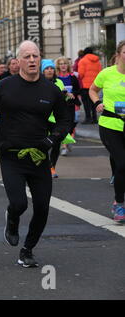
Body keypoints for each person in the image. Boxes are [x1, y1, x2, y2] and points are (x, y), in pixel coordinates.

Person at [0, 40, 71, 268]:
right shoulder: (5, 86)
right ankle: (12, 220)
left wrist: (52, 139)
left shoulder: (51, 90)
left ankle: (27, 250)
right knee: (19, 203)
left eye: (35, 56)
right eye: (27, 57)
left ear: (40, 59)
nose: (32, 60)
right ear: (18, 61)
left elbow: (64, 120)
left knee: (42, 207)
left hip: (39, 157)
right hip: (11, 155)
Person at [89, 40, 125, 222]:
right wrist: (97, 102)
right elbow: (93, 89)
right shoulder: (107, 73)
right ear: (118, 54)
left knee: (121, 166)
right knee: (123, 165)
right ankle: (119, 204)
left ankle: (116, 171)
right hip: (110, 125)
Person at [41, 59, 67, 178]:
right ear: (43, 71)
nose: (50, 70)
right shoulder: (39, 83)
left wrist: (67, 95)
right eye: (47, 68)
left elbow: (62, 101)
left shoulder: (59, 82)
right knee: (43, 143)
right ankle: (43, 166)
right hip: (43, 118)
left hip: (56, 119)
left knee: (56, 143)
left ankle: (52, 167)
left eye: (51, 68)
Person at [56, 56, 81, 156]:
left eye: (65, 63)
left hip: (72, 105)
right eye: (61, 64)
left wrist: (73, 94)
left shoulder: (72, 78)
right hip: (60, 106)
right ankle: (64, 146)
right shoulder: (56, 78)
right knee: (63, 126)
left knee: (71, 125)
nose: (63, 66)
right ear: (58, 66)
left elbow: (78, 89)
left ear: (68, 65)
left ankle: (69, 139)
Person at [78, 47, 102, 124]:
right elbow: (100, 73)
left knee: (86, 103)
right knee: (94, 102)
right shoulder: (98, 61)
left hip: (85, 85)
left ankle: (88, 118)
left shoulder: (82, 61)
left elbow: (80, 74)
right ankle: (95, 119)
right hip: (95, 86)